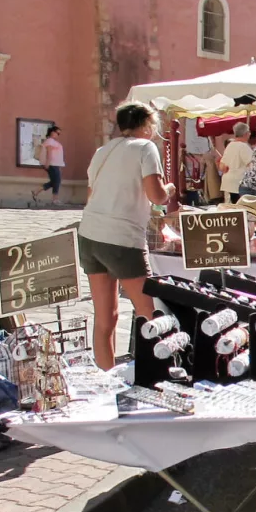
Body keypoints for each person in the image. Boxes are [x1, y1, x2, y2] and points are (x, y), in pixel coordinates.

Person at [78, 101, 174, 371]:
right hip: (122, 237)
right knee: (150, 312)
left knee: (105, 318)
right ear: (147, 125)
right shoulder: (146, 148)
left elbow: (91, 195)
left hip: (91, 234)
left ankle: (105, 376)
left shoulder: (102, 151)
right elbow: (156, 196)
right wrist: (169, 188)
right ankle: (162, 373)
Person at [219, 121, 253, 204]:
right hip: (239, 183)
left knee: (231, 207)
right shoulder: (243, 146)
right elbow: (251, 164)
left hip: (228, 182)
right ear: (246, 133)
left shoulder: (230, 145)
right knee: (240, 207)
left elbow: (222, 166)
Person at [32, 125, 66, 205]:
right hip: (52, 164)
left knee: (55, 181)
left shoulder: (52, 141)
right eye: (57, 133)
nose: (58, 135)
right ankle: (55, 199)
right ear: (52, 132)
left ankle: (36, 191)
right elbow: (49, 153)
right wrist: (47, 163)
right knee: (56, 181)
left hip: (55, 164)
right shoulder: (50, 141)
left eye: (59, 134)